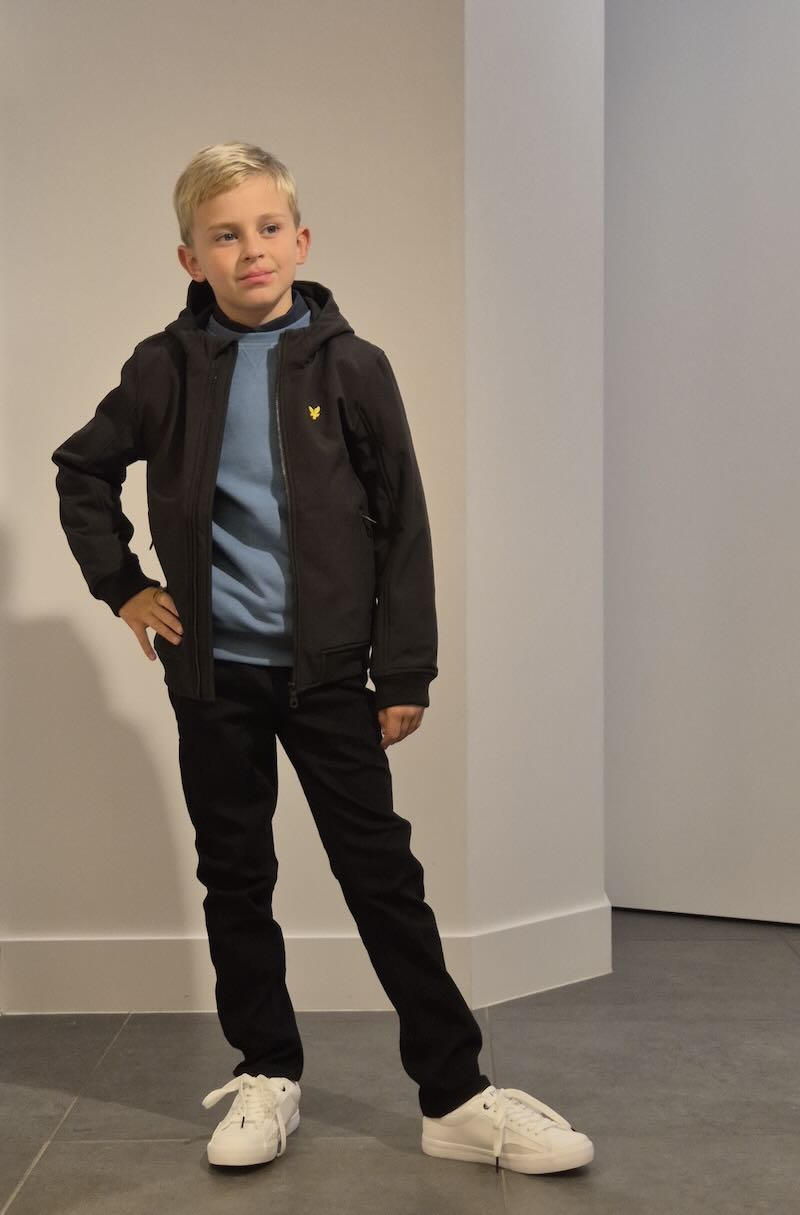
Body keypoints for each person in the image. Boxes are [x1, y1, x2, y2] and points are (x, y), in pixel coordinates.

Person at [51, 141, 594, 1177]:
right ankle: (266, 1073)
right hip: (212, 675)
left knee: (380, 875)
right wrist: (122, 585)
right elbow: (82, 471)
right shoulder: (163, 368)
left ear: (300, 240)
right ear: (190, 259)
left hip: (331, 675)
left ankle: (455, 1095)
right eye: (224, 236)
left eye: (267, 229)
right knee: (235, 874)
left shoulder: (352, 367)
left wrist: (405, 669)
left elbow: (403, 523)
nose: (250, 250)